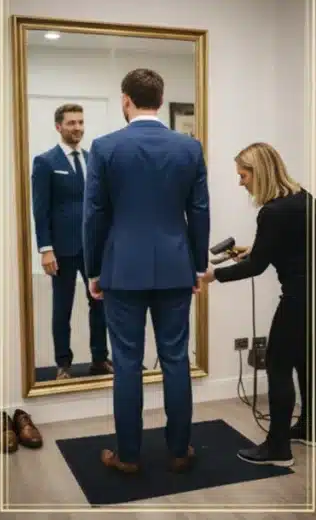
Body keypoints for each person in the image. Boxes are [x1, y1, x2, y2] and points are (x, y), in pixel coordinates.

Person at [82, 68, 210, 474]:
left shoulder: (104, 147)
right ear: (159, 97)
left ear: (126, 100)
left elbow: (94, 214)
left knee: (126, 363)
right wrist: (198, 265)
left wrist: (93, 269)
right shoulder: (189, 147)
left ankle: (129, 456)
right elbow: (200, 211)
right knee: (175, 359)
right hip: (176, 266)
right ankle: (178, 451)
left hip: (122, 268)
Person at [200, 142, 316, 466]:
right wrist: (255, 247)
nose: (241, 183)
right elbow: (296, 245)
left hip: (297, 297)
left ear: (259, 173)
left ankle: (278, 449)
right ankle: (311, 427)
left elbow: (256, 267)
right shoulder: (304, 199)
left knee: (278, 364)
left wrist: (213, 276)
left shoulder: (272, 211)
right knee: (306, 360)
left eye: (243, 176)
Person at [30, 103, 111, 380]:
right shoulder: (45, 162)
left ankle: (100, 359)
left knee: (100, 304)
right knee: (62, 307)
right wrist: (46, 249)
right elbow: (40, 209)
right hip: (62, 249)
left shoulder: (93, 159)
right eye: (71, 123)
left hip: (95, 247)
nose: (77, 128)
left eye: (80, 122)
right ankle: (63, 364)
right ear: (58, 127)